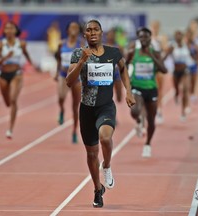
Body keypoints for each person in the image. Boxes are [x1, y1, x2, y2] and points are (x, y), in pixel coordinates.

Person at [66, 20, 135, 208]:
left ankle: (107, 166)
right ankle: (98, 189)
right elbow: (69, 81)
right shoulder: (79, 53)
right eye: (88, 30)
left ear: (101, 32)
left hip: (105, 107)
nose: (92, 32)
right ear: (85, 35)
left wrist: (128, 91)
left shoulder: (113, 53)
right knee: (91, 153)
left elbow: (123, 69)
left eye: (96, 29)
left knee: (105, 138)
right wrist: (81, 62)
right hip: (86, 109)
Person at [126, 27, 167, 157]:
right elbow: (124, 66)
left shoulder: (155, 52)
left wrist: (152, 57)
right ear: (138, 39)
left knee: (151, 119)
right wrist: (128, 79)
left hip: (151, 89)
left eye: (146, 37)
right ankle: (138, 121)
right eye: (141, 37)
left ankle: (148, 144)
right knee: (135, 110)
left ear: (150, 38)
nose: (143, 39)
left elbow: (164, 70)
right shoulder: (133, 52)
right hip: (137, 87)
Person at [0, 21, 33, 139]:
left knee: (13, 99)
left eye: (11, 28)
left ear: (16, 31)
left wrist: (31, 63)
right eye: (7, 28)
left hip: (17, 73)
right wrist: (6, 57)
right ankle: (11, 108)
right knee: (7, 103)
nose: (9, 31)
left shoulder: (21, 44)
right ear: (4, 31)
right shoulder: (0, 44)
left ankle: (10, 129)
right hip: (3, 74)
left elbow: (26, 54)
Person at [54, 21, 83, 143]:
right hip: (63, 74)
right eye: (71, 27)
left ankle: (74, 131)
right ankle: (61, 110)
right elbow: (59, 59)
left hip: (76, 77)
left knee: (75, 106)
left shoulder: (81, 44)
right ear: (67, 30)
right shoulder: (62, 44)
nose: (74, 29)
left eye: (76, 27)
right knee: (61, 97)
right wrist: (57, 71)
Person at [163, 30, 192, 121]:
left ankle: (183, 111)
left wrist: (197, 59)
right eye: (177, 36)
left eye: (180, 36)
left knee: (185, 88)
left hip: (185, 71)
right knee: (177, 89)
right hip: (176, 71)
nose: (178, 38)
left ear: (182, 37)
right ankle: (176, 93)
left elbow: (194, 54)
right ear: (175, 37)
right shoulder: (172, 47)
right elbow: (165, 57)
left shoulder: (187, 46)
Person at [150, 20, 168, 124]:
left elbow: (165, 49)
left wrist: (159, 43)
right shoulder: (147, 39)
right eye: (153, 26)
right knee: (150, 90)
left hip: (159, 67)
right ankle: (151, 111)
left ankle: (159, 110)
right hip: (150, 68)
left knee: (159, 91)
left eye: (156, 27)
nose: (155, 28)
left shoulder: (162, 38)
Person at [105, 28, 123, 104]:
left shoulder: (119, 47)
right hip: (106, 72)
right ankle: (111, 111)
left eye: (113, 35)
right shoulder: (103, 47)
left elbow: (122, 60)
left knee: (119, 97)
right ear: (106, 36)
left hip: (116, 72)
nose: (111, 36)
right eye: (110, 35)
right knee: (107, 94)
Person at [185, 29, 198, 102]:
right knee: (186, 82)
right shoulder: (184, 45)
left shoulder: (195, 46)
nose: (189, 37)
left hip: (193, 65)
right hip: (186, 65)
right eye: (188, 35)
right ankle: (187, 94)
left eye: (191, 35)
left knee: (193, 81)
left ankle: (192, 94)